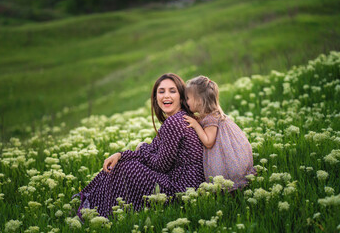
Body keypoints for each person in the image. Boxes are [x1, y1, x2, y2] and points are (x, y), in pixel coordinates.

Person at [73, 73, 205, 218]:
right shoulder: (179, 118)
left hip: (182, 189)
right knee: (123, 163)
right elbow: (154, 150)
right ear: (156, 98)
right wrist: (121, 155)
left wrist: (140, 148)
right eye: (161, 92)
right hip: (185, 183)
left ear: (181, 96)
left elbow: (161, 165)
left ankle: (92, 207)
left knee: (126, 168)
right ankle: (91, 203)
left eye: (172, 91)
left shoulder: (174, 123)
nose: (166, 96)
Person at [183, 76, 256, 190]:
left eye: (188, 98)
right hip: (229, 150)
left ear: (199, 100)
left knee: (227, 182)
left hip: (224, 157)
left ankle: (232, 193)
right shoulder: (209, 115)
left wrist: (196, 125)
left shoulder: (210, 118)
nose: (186, 102)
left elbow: (208, 142)